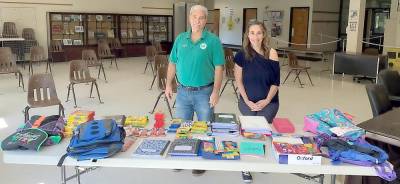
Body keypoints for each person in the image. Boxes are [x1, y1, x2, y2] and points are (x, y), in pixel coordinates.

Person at [165, 4, 225, 176]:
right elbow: (172, 63)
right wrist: (169, 84)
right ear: (189, 18)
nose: (197, 21)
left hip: (204, 92)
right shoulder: (180, 39)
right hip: (183, 92)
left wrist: (216, 91)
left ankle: (202, 158)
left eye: (201, 18)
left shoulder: (213, 41)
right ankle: (181, 155)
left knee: (204, 128)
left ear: (205, 20)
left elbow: (219, 68)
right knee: (183, 127)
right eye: (194, 17)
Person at [234, 21, 280, 183]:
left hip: (270, 102)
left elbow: (276, 82)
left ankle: (261, 161)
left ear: (264, 34)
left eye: (259, 32)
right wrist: (247, 100)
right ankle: (246, 167)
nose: (255, 36)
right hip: (247, 101)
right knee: (249, 131)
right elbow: (238, 81)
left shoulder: (272, 53)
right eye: (252, 33)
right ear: (248, 35)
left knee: (261, 129)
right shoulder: (241, 55)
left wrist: (266, 100)